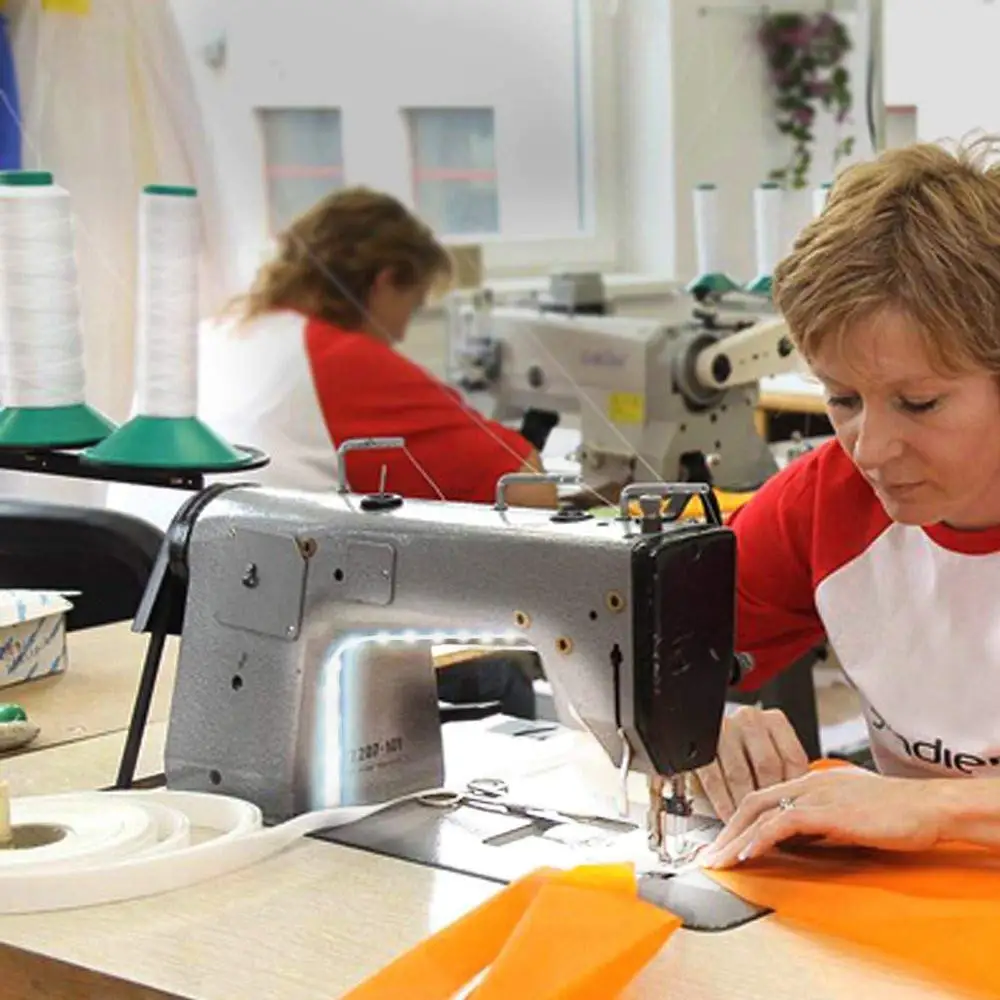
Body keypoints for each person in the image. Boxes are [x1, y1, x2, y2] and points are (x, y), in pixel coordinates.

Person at [693, 137, 1000, 868]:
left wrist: (936, 808)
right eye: (842, 399)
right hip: (916, 910)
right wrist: (702, 724)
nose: (871, 449)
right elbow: (625, 649)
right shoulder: (825, 502)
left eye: (919, 403)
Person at [202, 187, 564, 719]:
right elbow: (531, 490)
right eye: (410, 307)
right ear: (384, 280)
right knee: (498, 671)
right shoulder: (336, 357)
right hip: (282, 642)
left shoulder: (214, 336)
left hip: (193, 619)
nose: (398, 334)